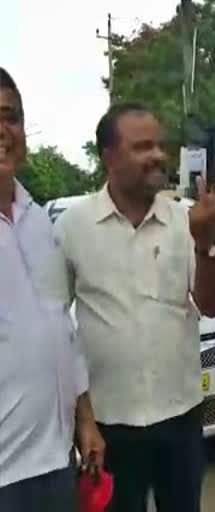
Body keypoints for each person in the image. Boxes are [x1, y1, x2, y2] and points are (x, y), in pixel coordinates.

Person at [54, 103, 215, 512]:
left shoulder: (186, 219)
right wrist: (83, 421)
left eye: (159, 145)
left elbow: (211, 302)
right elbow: (56, 327)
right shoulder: (71, 229)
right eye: (142, 147)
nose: (157, 156)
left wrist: (204, 246)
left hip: (180, 415)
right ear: (109, 157)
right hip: (110, 424)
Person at [0, 67, 105, 512]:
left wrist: (85, 420)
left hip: (56, 462)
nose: (4, 130)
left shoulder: (39, 221)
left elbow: (62, 327)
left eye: (11, 116)